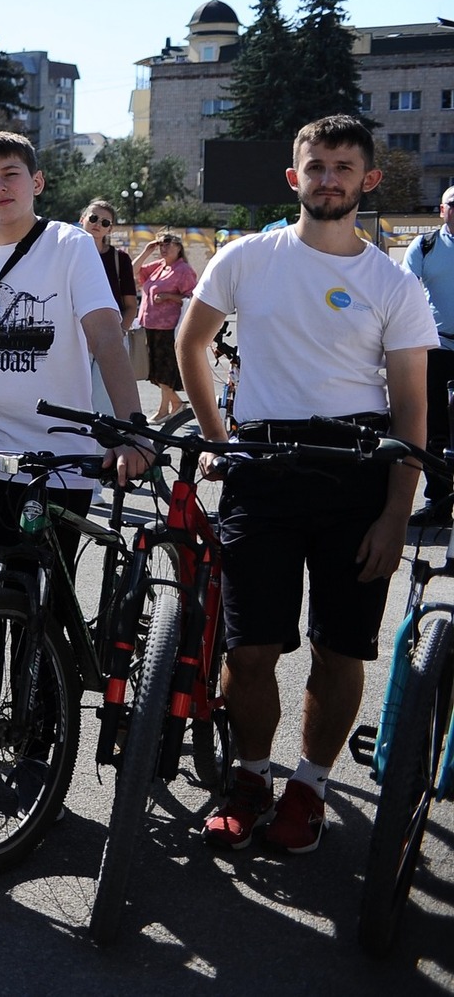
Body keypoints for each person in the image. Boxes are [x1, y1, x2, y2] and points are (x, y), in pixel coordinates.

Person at [180, 115, 433, 854]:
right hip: (263, 462)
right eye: (316, 165)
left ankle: (310, 787)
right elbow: (189, 341)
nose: (328, 178)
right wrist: (218, 440)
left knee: (338, 648)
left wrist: (396, 511)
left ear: (368, 180)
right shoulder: (247, 257)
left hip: (355, 469)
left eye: (343, 167)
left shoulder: (396, 284)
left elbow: (413, 409)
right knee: (250, 650)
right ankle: (250, 777)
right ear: (294, 177)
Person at [0, 132, 149, 798]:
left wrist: (131, 429)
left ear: (37, 181)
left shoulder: (70, 246)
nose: (0, 186)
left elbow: (105, 334)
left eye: (11, 173)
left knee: (42, 607)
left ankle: (38, 747)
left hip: (59, 462)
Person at [400, 184, 454, 527]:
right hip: (439, 352)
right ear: (441, 209)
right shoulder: (425, 245)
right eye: (453, 204)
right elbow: (403, 292)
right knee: (434, 430)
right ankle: (437, 502)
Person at [80, 199, 139, 417]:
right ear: (82, 219)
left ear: (110, 229)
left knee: (104, 405)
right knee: (74, 401)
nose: (97, 224)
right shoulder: (67, 255)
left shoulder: (119, 259)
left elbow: (131, 305)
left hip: (111, 337)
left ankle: (101, 451)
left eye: (105, 222)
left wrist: (119, 331)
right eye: (93, 218)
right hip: (75, 339)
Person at [136, 234, 197, 422]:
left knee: (163, 369)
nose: (163, 249)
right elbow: (132, 270)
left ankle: (166, 408)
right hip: (150, 324)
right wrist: (147, 251)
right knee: (154, 369)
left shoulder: (183, 270)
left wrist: (169, 297)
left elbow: (192, 298)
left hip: (168, 327)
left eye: (168, 245)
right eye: (161, 245)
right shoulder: (159, 267)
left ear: (179, 248)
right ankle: (174, 404)